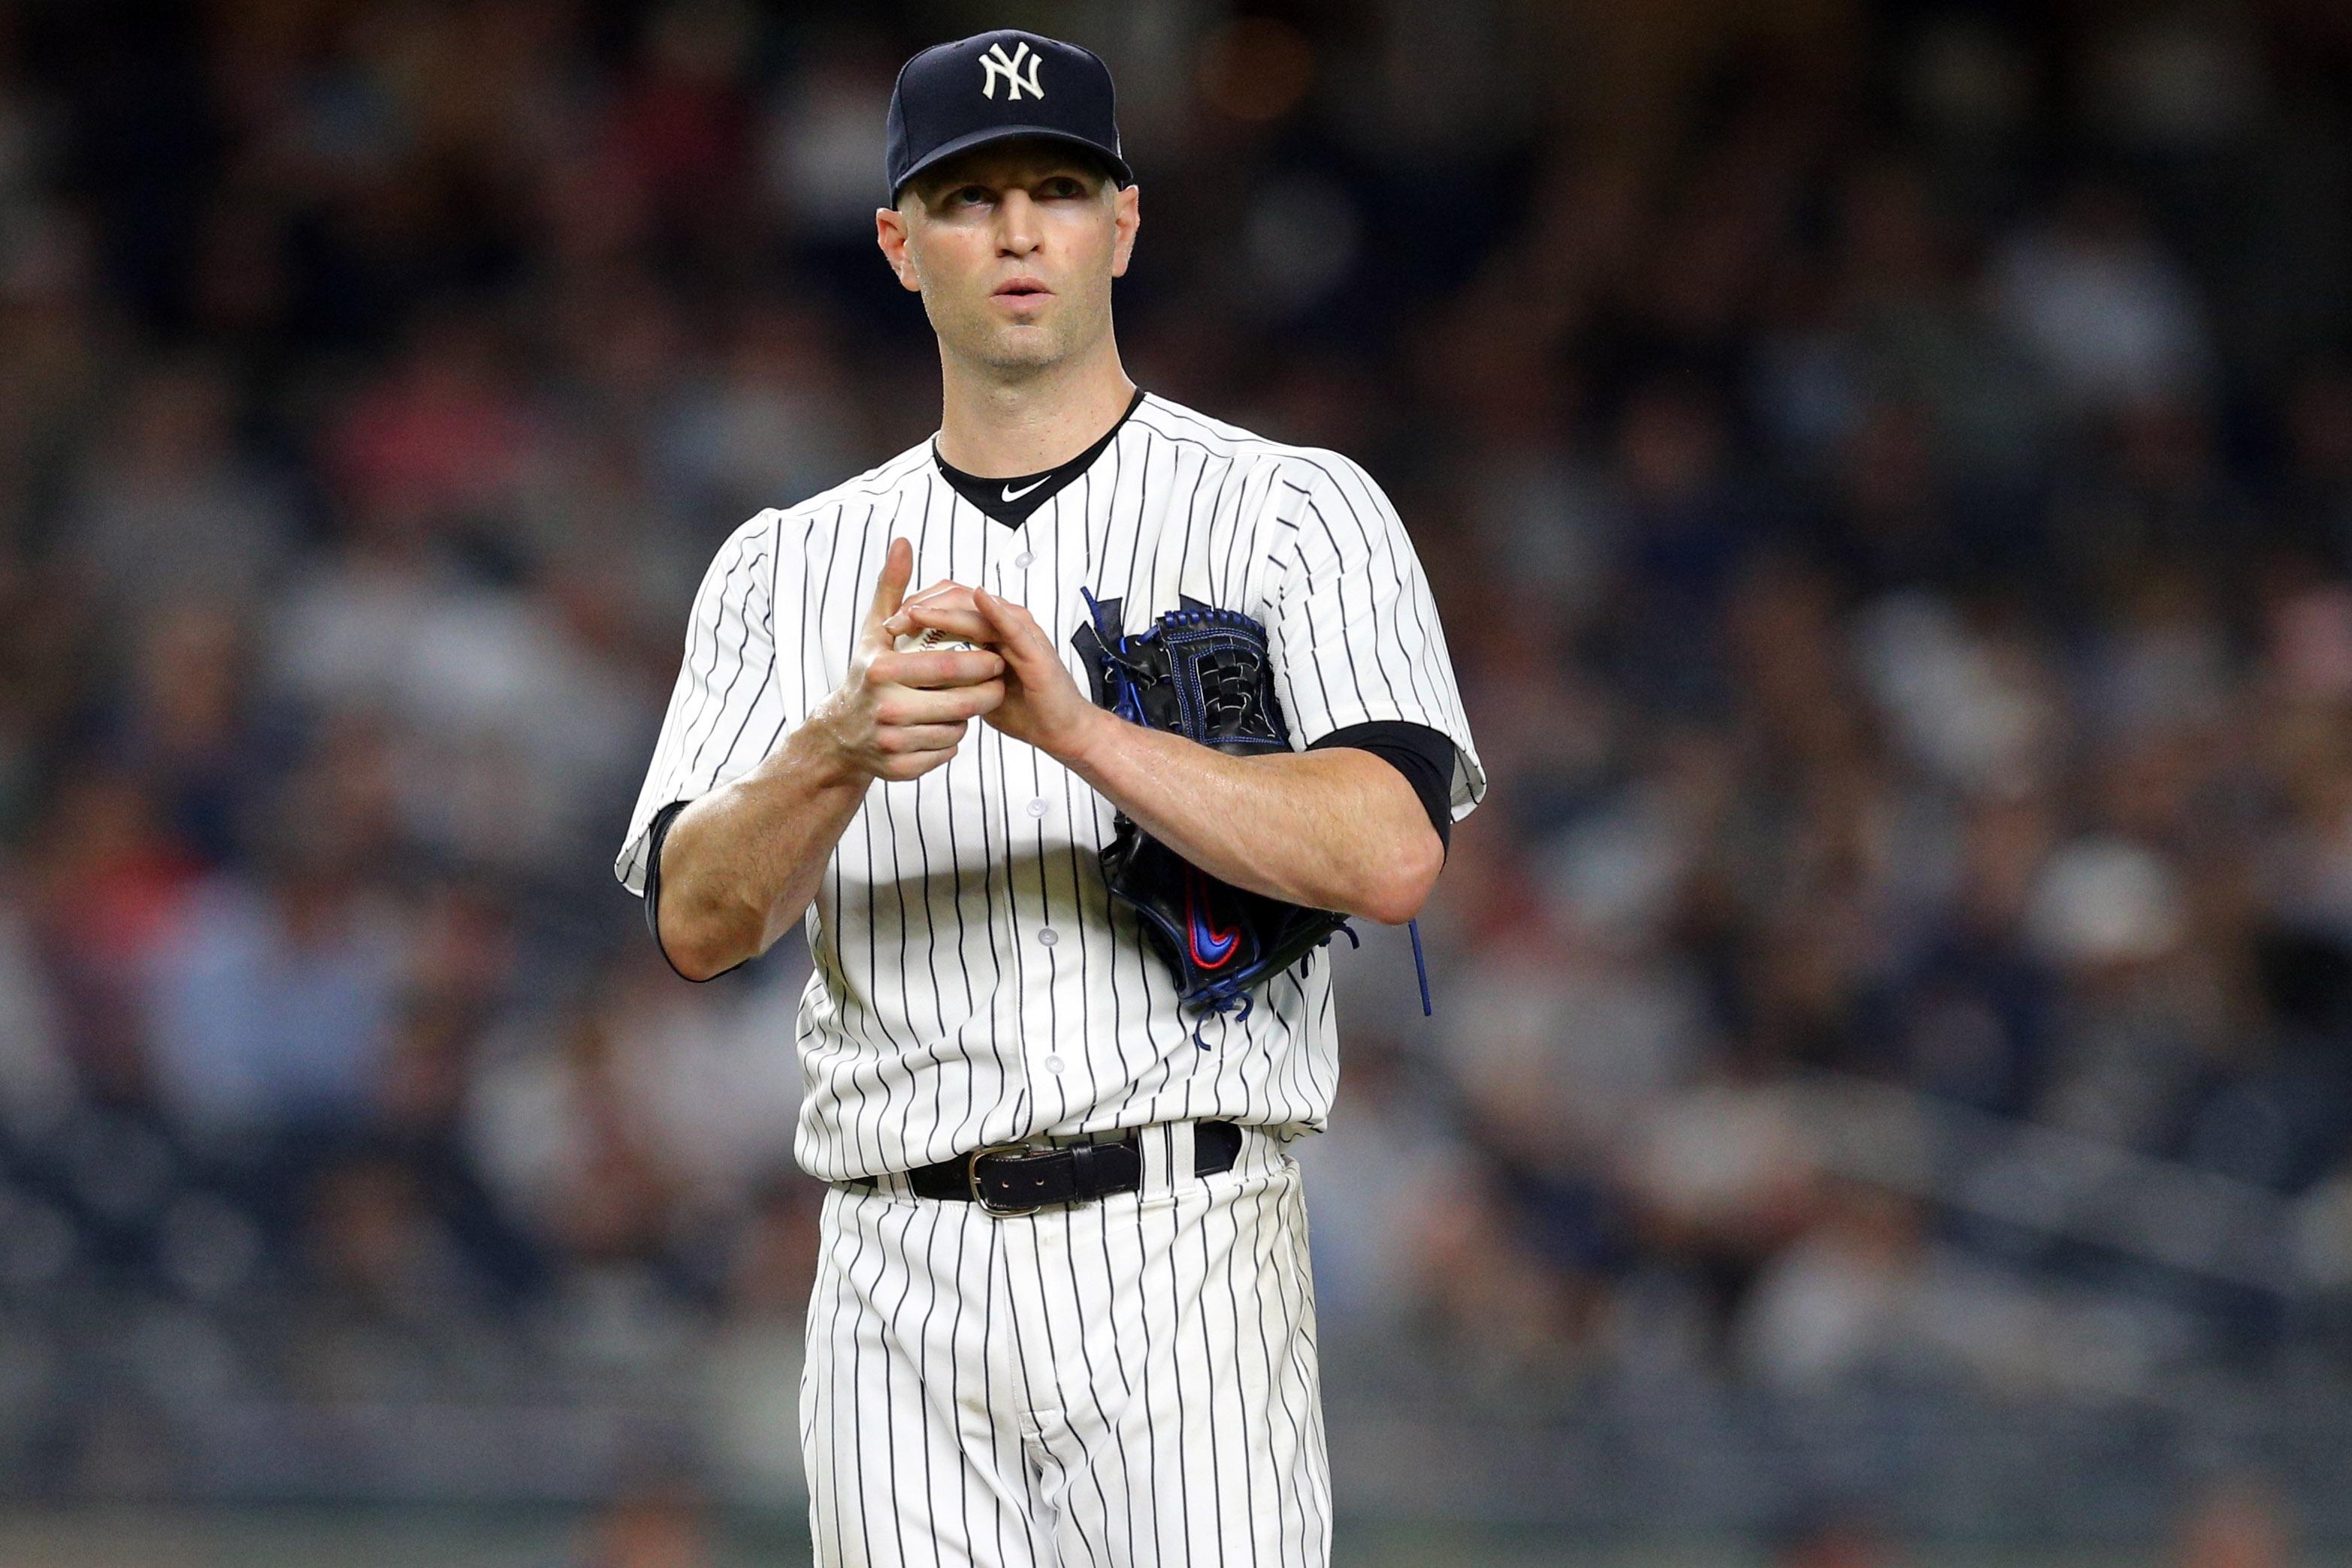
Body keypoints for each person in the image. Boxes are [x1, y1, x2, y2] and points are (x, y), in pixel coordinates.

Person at [613, 28, 1486, 1566]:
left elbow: (1388, 850)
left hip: (1181, 1245)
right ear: (896, 241)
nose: (1017, 231)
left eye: (1057, 189)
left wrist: (1078, 733)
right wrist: (832, 751)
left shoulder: (1291, 509)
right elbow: (698, 921)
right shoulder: (784, 564)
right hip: (890, 1259)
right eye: (967, 198)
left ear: (1122, 223)